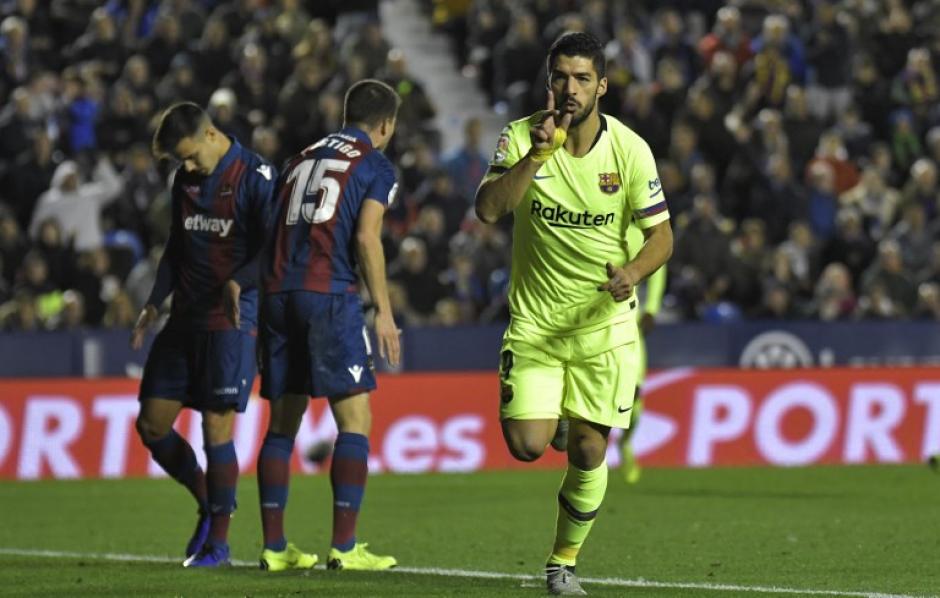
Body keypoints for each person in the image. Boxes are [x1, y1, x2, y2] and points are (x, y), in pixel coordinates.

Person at [474, 32, 673, 596]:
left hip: (602, 327)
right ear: (548, 81)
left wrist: (632, 274)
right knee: (527, 446)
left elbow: (662, 238)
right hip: (536, 325)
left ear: (602, 86)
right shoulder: (519, 137)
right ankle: (554, 418)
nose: (570, 88)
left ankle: (562, 563)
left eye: (583, 78)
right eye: (561, 76)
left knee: (589, 448)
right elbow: (488, 210)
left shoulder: (630, 151)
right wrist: (539, 155)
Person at [256, 79, 401, 572]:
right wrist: (383, 309)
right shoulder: (375, 164)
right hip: (328, 294)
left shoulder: (297, 158)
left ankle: (275, 549)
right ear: (386, 125)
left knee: (281, 425)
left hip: (277, 294)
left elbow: (271, 228)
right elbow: (366, 237)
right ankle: (345, 547)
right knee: (355, 421)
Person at [130, 102, 277, 568]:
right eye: (181, 162)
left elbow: (272, 249)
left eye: (191, 156)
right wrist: (155, 301)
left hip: (230, 320)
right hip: (184, 317)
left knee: (216, 426)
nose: (187, 167)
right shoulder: (185, 181)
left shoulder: (256, 177)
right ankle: (206, 499)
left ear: (211, 134)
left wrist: (239, 281)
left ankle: (220, 541)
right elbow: (176, 247)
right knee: (151, 424)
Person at [617, 220, 667, 484]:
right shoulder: (599, 223)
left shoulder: (640, 232)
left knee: (634, 398)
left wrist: (652, 308)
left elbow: (657, 266)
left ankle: (625, 444)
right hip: (591, 327)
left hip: (629, 327)